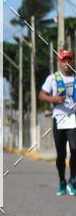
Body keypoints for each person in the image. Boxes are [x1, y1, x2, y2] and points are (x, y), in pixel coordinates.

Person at [39, 49, 76, 195]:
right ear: (59, 62)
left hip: (73, 118)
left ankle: (73, 180)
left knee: (74, 150)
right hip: (59, 119)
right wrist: (54, 99)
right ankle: (62, 180)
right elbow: (42, 95)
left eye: (69, 60)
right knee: (61, 154)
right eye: (63, 60)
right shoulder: (52, 79)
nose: (67, 63)